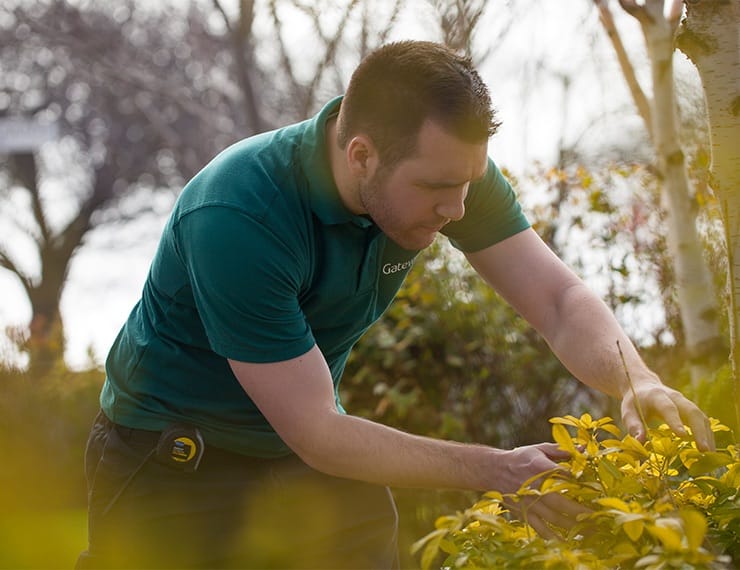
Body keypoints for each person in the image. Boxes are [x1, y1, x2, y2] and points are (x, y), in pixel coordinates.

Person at [76, 40, 715, 569]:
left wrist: (635, 381)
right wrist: (499, 469)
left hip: (308, 453)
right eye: (438, 188)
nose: (458, 209)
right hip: (177, 464)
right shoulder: (240, 214)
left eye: (467, 184)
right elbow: (319, 431)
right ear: (361, 156)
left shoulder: (447, 173)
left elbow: (556, 297)